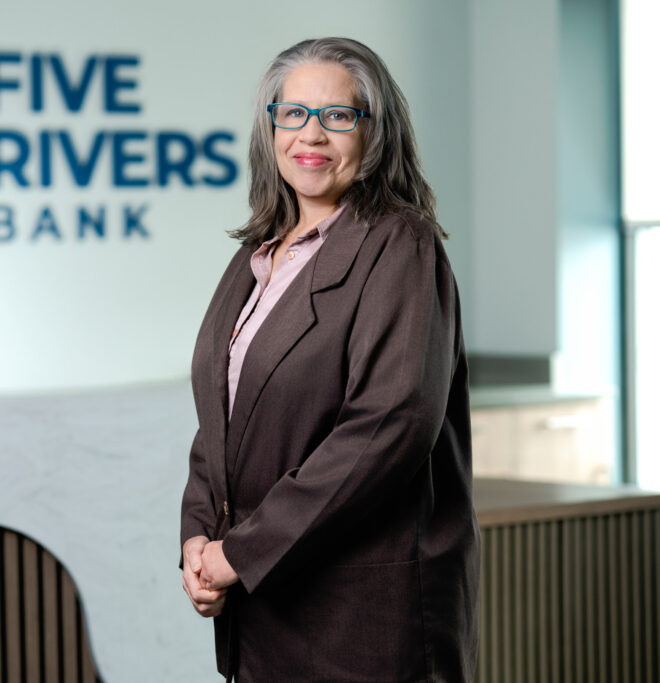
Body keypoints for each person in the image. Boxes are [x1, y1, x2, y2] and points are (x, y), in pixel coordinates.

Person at [179, 37, 479, 682]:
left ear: (375, 133)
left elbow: (388, 427)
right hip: (260, 610)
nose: (310, 133)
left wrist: (241, 552)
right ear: (271, 128)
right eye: (293, 113)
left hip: (358, 617)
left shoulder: (401, 245)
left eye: (338, 116)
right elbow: (220, 418)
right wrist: (198, 540)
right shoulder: (257, 256)